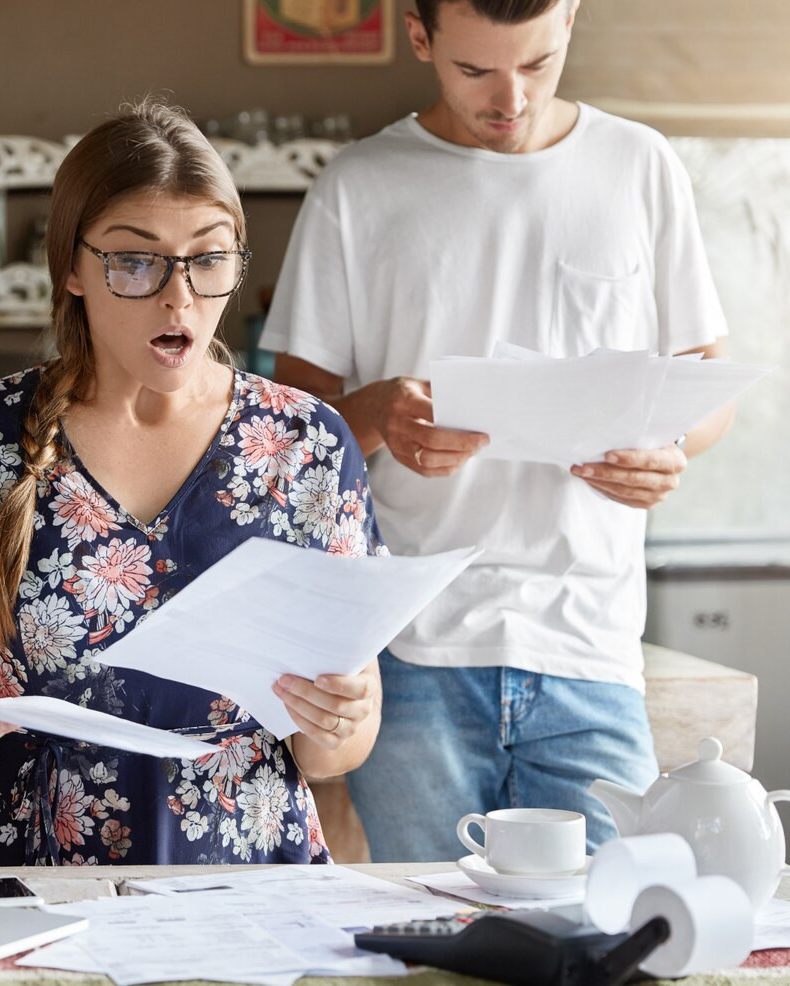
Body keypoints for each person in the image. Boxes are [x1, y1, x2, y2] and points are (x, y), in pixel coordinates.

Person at [261, 0, 734, 861]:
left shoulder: (640, 165)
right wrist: (377, 415)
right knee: (436, 943)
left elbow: (708, 387)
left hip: (589, 641)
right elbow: (293, 427)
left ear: (571, 22)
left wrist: (670, 449)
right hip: (412, 649)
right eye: (475, 71)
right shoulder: (358, 184)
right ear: (419, 38)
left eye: (538, 64)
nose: (509, 99)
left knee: (607, 930)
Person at [0, 100, 386, 866]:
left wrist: (342, 718)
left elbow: (335, 751)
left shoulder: (309, 444)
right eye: (135, 261)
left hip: (249, 883)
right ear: (72, 268)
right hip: (25, 875)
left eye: (208, 258)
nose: (179, 298)